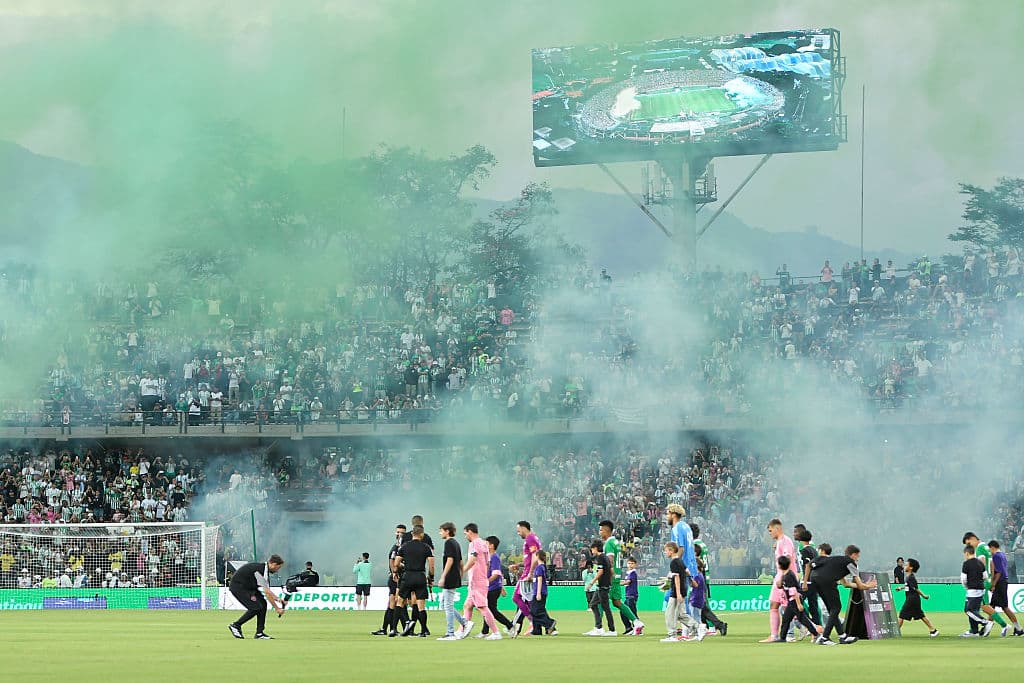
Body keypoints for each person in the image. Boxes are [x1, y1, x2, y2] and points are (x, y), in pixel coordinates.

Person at [809, 544, 877, 645]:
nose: (858, 559)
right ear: (853, 555)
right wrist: (869, 586)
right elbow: (860, 585)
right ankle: (824, 637)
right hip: (826, 580)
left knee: (832, 609)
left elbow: (845, 584)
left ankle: (842, 636)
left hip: (814, 578)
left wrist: (864, 585)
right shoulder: (851, 563)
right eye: (858, 556)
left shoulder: (838, 561)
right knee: (836, 608)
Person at [598, 520, 644, 635]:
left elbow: (610, 560)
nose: (599, 532)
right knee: (617, 602)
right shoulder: (616, 542)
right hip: (618, 576)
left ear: (606, 530)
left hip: (611, 577)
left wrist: (608, 576)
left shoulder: (609, 543)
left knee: (600, 600)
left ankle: (598, 627)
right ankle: (637, 622)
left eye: (601, 530)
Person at [458, 523, 502, 640]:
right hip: (478, 580)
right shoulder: (484, 544)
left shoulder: (474, 544)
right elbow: (487, 563)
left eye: (465, 533)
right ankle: (461, 630)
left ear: (470, 531)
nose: (465, 536)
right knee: (467, 605)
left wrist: (462, 571)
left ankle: (496, 633)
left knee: (482, 607)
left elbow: (473, 559)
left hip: (477, 581)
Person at [227, 554, 285, 640]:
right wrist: (277, 608)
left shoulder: (263, 569)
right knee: (255, 608)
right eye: (278, 567)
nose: (277, 570)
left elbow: (267, 590)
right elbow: (267, 593)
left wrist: (277, 599)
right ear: (273, 564)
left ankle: (259, 633)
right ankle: (236, 625)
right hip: (239, 587)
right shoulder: (261, 570)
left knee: (263, 603)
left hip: (249, 588)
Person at [760, 519, 797, 643]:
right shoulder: (780, 542)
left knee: (789, 607)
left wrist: (782, 577)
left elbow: (788, 558)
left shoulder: (785, 541)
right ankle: (775, 635)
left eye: (770, 531)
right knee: (774, 604)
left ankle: (806, 629)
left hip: (785, 577)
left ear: (777, 528)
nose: (770, 533)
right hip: (780, 575)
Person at [962, 531, 1006, 634]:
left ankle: (1002, 625)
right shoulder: (985, 546)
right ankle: (975, 630)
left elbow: (981, 563)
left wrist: (979, 578)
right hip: (987, 579)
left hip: (981, 582)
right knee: (977, 607)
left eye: (968, 543)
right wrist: (990, 578)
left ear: (973, 538)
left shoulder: (980, 548)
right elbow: (991, 563)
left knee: (982, 606)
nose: (969, 546)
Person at [396, 525, 434, 637]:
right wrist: (430, 577)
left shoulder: (404, 546)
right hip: (420, 576)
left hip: (407, 576)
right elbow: (431, 565)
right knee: (421, 606)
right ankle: (423, 631)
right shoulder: (426, 547)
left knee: (400, 601)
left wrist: (400, 569)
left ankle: (394, 628)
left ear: (412, 534)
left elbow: (396, 563)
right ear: (422, 534)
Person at [661, 541, 701, 642]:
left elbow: (677, 577)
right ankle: (699, 628)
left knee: (669, 613)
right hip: (683, 589)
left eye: (666, 551)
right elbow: (687, 571)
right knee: (680, 615)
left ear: (671, 550)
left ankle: (672, 635)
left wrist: (677, 593)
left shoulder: (674, 562)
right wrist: (692, 581)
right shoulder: (680, 561)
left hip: (676, 592)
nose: (665, 553)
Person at [372, 524, 407, 636]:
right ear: (395, 533)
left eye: (401, 532)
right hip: (396, 578)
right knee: (396, 603)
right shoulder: (396, 547)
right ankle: (393, 628)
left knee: (397, 603)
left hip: (404, 578)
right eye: (398, 532)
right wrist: (394, 573)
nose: (399, 534)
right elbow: (391, 561)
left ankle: (387, 628)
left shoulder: (404, 546)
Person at [773, 555, 818, 643]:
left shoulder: (789, 576)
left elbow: (794, 590)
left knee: (802, 619)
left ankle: (816, 634)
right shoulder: (785, 575)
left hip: (794, 600)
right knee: (786, 618)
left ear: (780, 565)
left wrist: (799, 604)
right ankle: (782, 637)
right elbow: (782, 586)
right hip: (791, 601)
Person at [437, 522, 468, 640]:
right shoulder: (456, 543)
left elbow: (450, 560)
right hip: (455, 575)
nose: (440, 533)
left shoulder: (449, 543)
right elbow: (460, 561)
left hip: (450, 577)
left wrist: (443, 576)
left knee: (448, 605)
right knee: (444, 604)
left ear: (447, 531)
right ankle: (464, 622)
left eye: (441, 530)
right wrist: (461, 574)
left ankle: (450, 633)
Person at [479, 536, 515, 637]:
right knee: (488, 609)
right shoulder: (489, 556)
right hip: (492, 587)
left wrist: (486, 582)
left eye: (486, 543)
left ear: (491, 546)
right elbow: (499, 573)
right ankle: (484, 632)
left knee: (491, 610)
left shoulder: (494, 557)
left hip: (493, 588)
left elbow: (496, 574)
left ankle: (510, 626)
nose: (484, 545)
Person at [986, 540, 1024, 636]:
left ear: (992, 547)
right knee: (992, 606)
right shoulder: (1002, 555)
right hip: (1003, 582)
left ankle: (1018, 628)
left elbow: (999, 572)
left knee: (1004, 607)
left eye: (989, 549)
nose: (989, 551)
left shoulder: (996, 556)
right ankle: (987, 627)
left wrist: (993, 584)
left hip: (1000, 582)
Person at [509, 520, 540, 637]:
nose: (518, 533)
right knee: (529, 600)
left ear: (523, 528)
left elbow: (535, 556)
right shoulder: (533, 538)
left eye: (518, 530)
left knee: (517, 597)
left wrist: (530, 573)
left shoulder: (530, 538)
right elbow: (529, 558)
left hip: (528, 573)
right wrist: (519, 565)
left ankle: (533, 622)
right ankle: (541, 624)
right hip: (528, 571)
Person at [896, 558, 938, 637]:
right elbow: (907, 586)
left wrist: (924, 596)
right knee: (920, 615)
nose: (904, 566)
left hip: (912, 599)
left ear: (911, 567)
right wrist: (900, 588)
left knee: (902, 614)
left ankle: (896, 632)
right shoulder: (908, 577)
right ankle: (933, 630)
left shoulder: (911, 577)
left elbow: (916, 589)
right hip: (913, 599)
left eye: (906, 565)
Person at [584, 540, 616, 636]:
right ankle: (598, 627)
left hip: (602, 586)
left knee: (606, 608)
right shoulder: (605, 557)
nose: (591, 551)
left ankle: (612, 630)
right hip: (602, 585)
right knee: (593, 604)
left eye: (592, 549)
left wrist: (591, 582)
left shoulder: (601, 557)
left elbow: (600, 571)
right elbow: (611, 571)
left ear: (595, 548)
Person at [795, 529, 822, 629]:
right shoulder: (814, 550)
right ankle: (818, 628)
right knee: (813, 605)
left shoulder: (805, 550)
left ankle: (809, 624)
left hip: (808, 581)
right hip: (814, 581)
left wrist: (805, 581)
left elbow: (807, 566)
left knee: (796, 602)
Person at [961, 544, 988, 638]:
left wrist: (967, 587)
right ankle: (974, 631)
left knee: (969, 610)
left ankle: (985, 622)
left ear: (967, 553)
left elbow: (963, 579)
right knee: (974, 610)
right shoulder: (980, 562)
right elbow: (985, 576)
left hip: (972, 590)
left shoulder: (966, 564)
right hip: (981, 589)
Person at [530, 550, 557, 636]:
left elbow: (540, 580)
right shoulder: (542, 567)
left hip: (539, 592)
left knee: (534, 611)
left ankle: (550, 623)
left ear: (537, 556)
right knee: (539, 610)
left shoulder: (539, 567)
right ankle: (536, 630)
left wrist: (538, 593)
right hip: (541, 591)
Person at [622, 557, 640, 621]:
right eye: (629, 563)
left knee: (632, 612)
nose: (630, 565)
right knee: (624, 612)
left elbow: (628, 581)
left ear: (635, 565)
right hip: (628, 595)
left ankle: (637, 626)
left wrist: (619, 584)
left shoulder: (633, 573)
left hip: (631, 595)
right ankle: (629, 627)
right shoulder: (628, 573)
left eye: (632, 563)